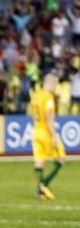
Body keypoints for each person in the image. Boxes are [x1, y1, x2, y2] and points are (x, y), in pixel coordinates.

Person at [30, 73, 66, 201]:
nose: (56, 87)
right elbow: (48, 117)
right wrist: (54, 135)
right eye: (55, 84)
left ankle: (40, 193)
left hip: (36, 131)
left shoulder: (35, 95)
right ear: (50, 83)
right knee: (61, 158)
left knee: (40, 161)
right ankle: (44, 184)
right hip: (46, 132)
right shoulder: (48, 98)